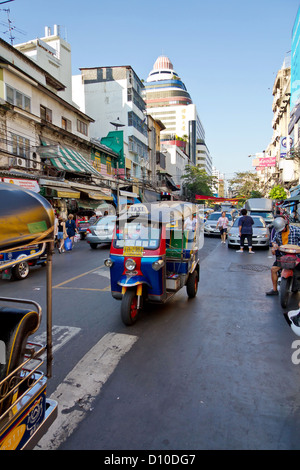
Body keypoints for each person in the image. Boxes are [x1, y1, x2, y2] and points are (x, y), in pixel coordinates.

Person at [266, 216, 300, 295]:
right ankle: (274, 290)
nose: (282, 231)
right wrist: (274, 247)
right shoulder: (278, 232)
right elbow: (274, 241)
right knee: (273, 269)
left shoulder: (296, 230)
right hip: (283, 256)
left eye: (283, 229)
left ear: (286, 225)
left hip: (297, 256)